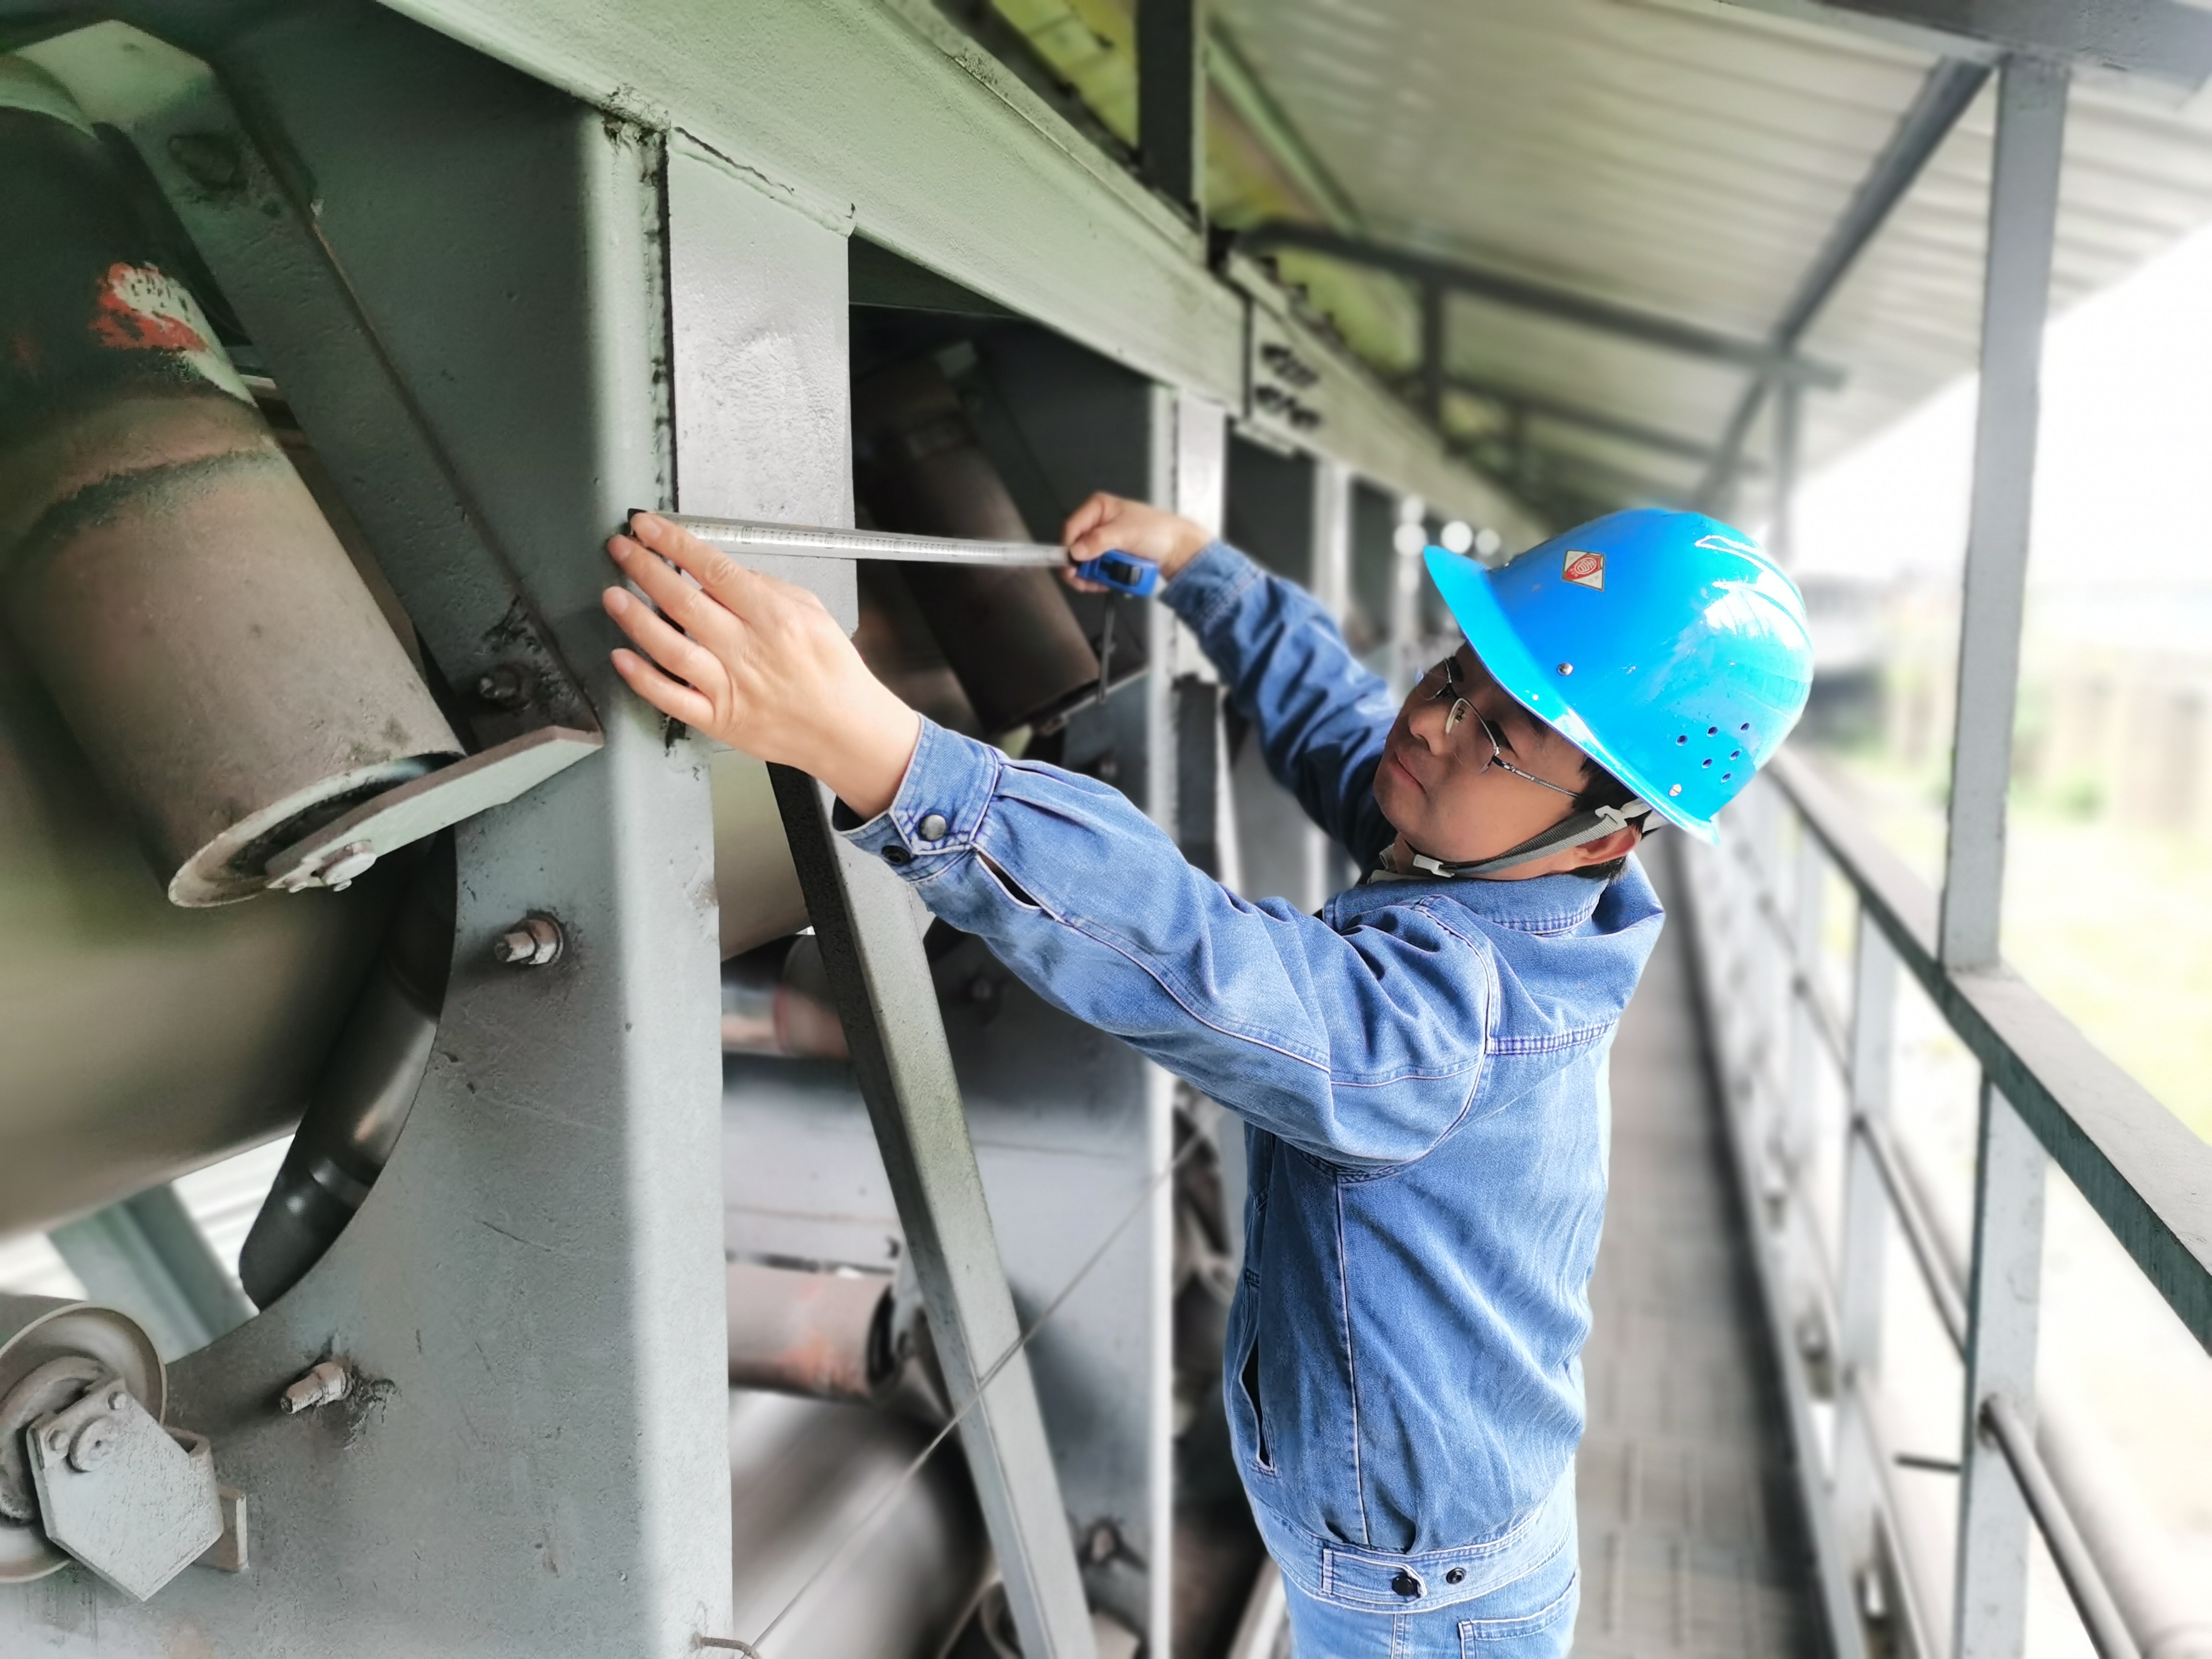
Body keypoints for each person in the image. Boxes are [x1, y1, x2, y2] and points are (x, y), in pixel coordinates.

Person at [600, 494, 1813, 1658]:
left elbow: (1200, 958)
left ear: (1612, 829)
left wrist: (887, 757)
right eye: (1456, 671)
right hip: (1430, 1542)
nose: (1434, 725)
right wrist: (1201, 570)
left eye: (1502, 734)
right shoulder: (1503, 865)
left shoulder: (1443, 1029)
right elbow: (1343, 725)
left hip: (1424, 1610)